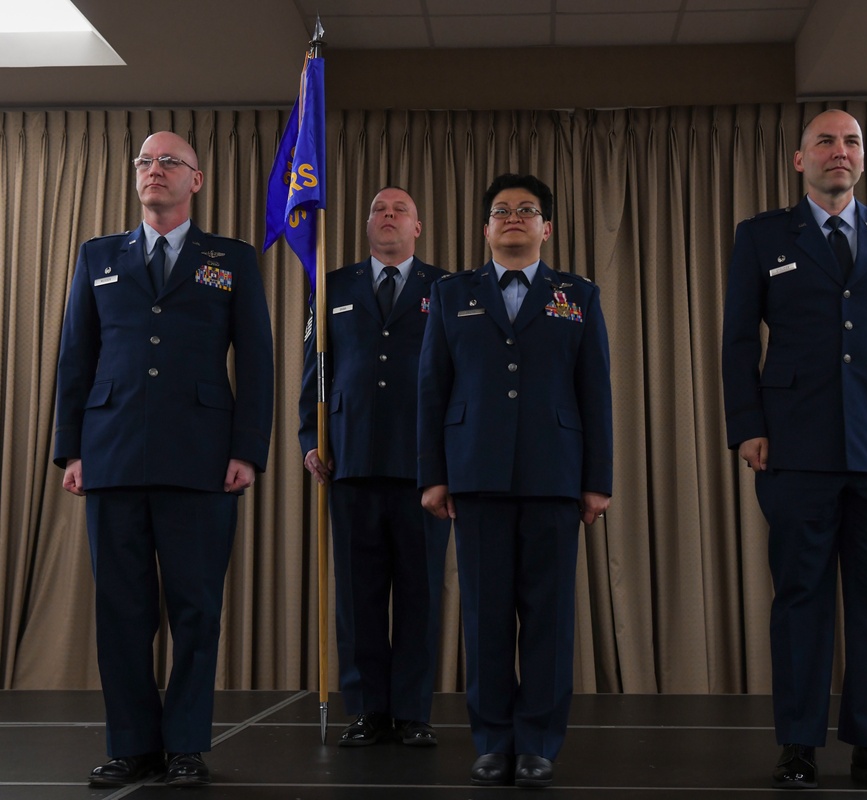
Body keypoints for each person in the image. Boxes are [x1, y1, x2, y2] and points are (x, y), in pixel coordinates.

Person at [722, 109, 867, 791]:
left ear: (862, 157)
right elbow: (737, 342)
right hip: (795, 446)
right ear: (800, 160)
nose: (839, 151)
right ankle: (798, 743)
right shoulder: (762, 236)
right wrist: (747, 426)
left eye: (850, 141)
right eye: (825, 141)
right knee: (800, 599)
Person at [53, 131, 274, 788]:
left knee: (196, 607)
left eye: (169, 161)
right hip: (112, 452)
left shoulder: (230, 258)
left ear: (196, 181)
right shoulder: (98, 255)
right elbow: (76, 359)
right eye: (145, 161)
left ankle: (184, 745)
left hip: (202, 457)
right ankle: (133, 746)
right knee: (122, 611)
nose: (154, 170)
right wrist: (70, 449)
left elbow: (256, 361)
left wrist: (248, 450)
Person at [418, 173, 613, 788]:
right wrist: (434, 476)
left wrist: (596, 480)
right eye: (501, 210)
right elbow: (432, 390)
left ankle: (537, 742)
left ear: (546, 227)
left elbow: (595, 391)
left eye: (527, 210)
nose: (513, 218)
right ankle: (492, 739)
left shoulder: (577, 293)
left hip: (555, 474)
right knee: (485, 615)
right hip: (474, 473)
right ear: (485, 227)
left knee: (549, 617)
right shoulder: (451, 294)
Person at [299, 187, 451, 748]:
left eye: (399, 211)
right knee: (359, 596)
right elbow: (315, 366)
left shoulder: (447, 288)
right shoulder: (332, 285)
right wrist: (312, 435)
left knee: (421, 592)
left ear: (417, 227)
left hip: (422, 465)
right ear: (367, 226)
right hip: (351, 458)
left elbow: (457, 376)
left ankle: (412, 711)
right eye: (378, 211)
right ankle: (366, 709)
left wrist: (449, 456)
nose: (387, 217)